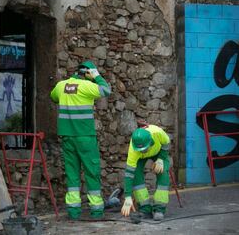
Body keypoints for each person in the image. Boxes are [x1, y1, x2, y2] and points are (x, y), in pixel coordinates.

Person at [50, 60, 111, 220]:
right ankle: (96, 210)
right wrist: (97, 76)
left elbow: (54, 98)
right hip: (85, 136)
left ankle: (73, 211)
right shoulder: (87, 86)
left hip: (67, 137)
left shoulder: (61, 86)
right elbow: (106, 90)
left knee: (72, 173)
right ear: (88, 73)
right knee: (92, 171)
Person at [121, 124, 171, 221]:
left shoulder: (158, 132)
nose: (143, 151)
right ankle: (145, 209)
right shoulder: (133, 150)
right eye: (140, 149)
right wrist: (127, 197)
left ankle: (159, 209)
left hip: (158, 152)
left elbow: (166, 143)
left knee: (163, 173)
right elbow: (128, 174)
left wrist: (161, 158)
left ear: (150, 141)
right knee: (135, 175)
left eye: (144, 149)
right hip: (141, 158)